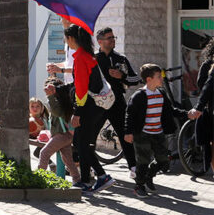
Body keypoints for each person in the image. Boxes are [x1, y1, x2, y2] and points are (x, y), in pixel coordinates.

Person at [65, 24, 115, 194]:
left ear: (72, 39)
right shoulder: (88, 56)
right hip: (96, 107)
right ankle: (85, 181)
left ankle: (102, 177)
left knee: (81, 144)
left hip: (88, 108)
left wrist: (77, 113)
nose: (66, 41)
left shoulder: (80, 58)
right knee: (82, 142)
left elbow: (81, 88)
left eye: (67, 38)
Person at [95, 27, 141, 177]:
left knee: (125, 134)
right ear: (100, 42)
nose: (113, 40)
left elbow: (136, 79)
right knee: (90, 135)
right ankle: (87, 167)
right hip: (98, 104)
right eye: (109, 38)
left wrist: (121, 76)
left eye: (113, 37)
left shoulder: (121, 59)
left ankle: (133, 167)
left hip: (117, 103)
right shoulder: (94, 59)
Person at [125, 64, 174, 197]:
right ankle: (139, 186)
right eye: (159, 76)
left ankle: (149, 175)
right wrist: (128, 132)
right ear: (149, 79)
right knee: (143, 161)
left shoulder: (161, 93)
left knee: (164, 161)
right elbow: (130, 115)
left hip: (158, 133)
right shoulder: (139, 96)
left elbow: (170, 111)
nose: (161, 79)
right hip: (143, 134)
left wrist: (187, 114)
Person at [39, 83, 81, 182]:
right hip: (65, 135)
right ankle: (77, 179)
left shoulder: (62, 103)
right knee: (67, 159)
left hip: (62, 135)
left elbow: (56, 112)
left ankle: (39, 178)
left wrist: (50, 96)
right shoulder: (65, 102)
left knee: (44, 153)